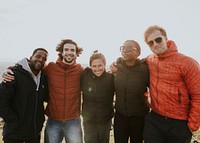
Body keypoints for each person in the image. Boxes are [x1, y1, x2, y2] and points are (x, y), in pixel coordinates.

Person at [2, 39, 84, 143]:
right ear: (61, 52)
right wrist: (11, 69)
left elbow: (95, 73)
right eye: (66, 49)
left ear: (76, 53)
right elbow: (30, 69)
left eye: (72, 50)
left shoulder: (80, 70)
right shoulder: (50, 68)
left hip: (73, 121)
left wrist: (111, 69)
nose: (69, 52)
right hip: (54, 121)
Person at [143, 25, 200, 143]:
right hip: (155, 119)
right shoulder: (150, 60)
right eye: (150, 43)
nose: (155, 44)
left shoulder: (187, 63)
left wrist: (192, 126)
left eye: (158, 39)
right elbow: (135, 62)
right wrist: (117, 64)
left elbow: (198, 95)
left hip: (178, 123)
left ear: (165, 38)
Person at [0, 48, 49, 143]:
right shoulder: (14, 74)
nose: (41, 60)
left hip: (34, 133)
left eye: (44, 59)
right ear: (30, 57)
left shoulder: (44, 77)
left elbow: (47, 97)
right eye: (38, 56)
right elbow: (1, 100)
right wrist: (13, 121)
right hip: (14, 134)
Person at [112, 40, 149, 143]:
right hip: (120, 116)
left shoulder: (145, 69)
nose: (124, 51)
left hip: (139, 117)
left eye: (128, 48)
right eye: (122, 48)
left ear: (138, 52)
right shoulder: (117, 66)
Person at [80, 50, 115, 143]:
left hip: (105, 119)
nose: (97, 69)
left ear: (104, 65)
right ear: (90, 66)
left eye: (100, 65)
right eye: (94, 66)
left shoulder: (111, 78)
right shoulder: (85, 75)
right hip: (89, 120)